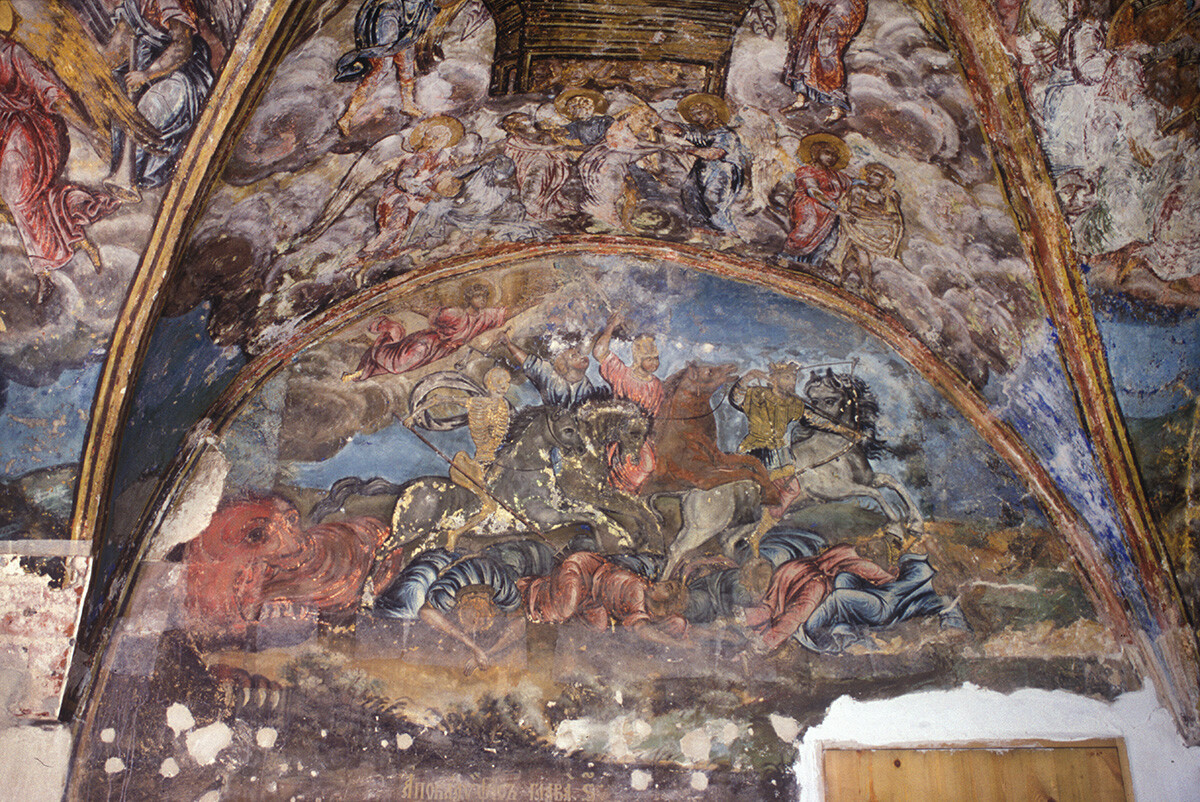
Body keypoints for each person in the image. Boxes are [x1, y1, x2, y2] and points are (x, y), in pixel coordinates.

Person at [0, 0, 119, 300]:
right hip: (7, 136)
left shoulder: (13, 54)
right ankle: (71, 238)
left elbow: (52, 92)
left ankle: (43, 270)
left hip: (37, 131)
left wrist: (90, 132)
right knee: (25, 199)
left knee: (15, 191)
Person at [104, 0, 215, 192]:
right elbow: (118, 41)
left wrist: (147, 73)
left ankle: (133, 176)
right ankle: (124, 172)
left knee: (150, 108)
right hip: (143, 71)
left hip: (183, 74)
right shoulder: (133, 4)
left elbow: (182, 46)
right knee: (117, 102)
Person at [349, 115, 466, 272]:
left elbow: (443, 179)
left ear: (441, 141)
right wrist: (426, 191)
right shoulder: (419, 157)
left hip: (420, 200)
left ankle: (393, 257)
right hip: (399, 197)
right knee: (393, 231)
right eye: (427, 135)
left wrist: (447, 186)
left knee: (428, 226)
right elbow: (403, 181)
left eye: (432, 137)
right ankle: (361, 258)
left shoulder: (442, 159)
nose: (427, 139)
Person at [741, 543, 894, 652]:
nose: (869, 546)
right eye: (871, 544)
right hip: (813, 578)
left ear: (875, 556)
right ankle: (767, 639)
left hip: (798, 568)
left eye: (874, 548)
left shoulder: (850, 550)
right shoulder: (858, 556)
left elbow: (886, 579)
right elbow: (888, 581)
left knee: (774, 601)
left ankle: (749, 619)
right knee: (797, 611)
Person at [344, 280, 507, 381]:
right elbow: (432, 313)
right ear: (469, 298)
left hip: (441, 351)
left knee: (400, 368)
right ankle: (380, 337)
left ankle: (363, 370)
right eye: (478, 296)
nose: (482, 300)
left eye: (484, 297)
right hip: (427, 343)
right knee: (398, 365)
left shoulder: (486, 316)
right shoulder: (457, 314)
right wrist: (408, 305)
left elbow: (505, 314)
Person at [519, 551, 690, 645]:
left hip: (592, 599)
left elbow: (675, 623)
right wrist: (676, 644)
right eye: (666, 583)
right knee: (562, 610)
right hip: (582, 571)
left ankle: (562, 605)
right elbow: (641, 628)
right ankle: (531, 588)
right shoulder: (638, 590)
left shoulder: (649, 610)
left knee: (597, 628)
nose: (661, 584)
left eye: (667, 588)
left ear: (667, 604)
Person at [780, 0, 867, 122]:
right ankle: (801, 99)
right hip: (819, 4)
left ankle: (837, 107)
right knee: (804, 46)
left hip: (840, 7)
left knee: (827, 53)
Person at [676, 93, 748, 241]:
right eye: (694, 115)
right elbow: (679, 130)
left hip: (721, 171)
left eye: (700, 113)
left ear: (713, 111)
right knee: (690, 194)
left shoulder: (727, 134)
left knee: (713, 201)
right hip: (701, 169)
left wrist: (688, 150)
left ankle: (729, 236)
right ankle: (702, 233)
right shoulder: (703, 133)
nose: (697, 118)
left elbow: (716, 153)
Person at [834, 161, 903, 299]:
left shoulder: (886, 197)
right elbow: (854, 209)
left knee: (854, 259)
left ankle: (840, 281)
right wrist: (882, 217)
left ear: (883, 180)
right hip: (858, 227)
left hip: (876, 233)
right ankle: (866, 288)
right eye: (870, 174)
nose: (872, 177)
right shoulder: (859, 189)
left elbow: (895, 217)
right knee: (862, 257)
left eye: (876, 175)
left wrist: (885, 216)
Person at [783, 133, 851, 265]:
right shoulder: (807, 170)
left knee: (834, 235)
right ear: (816, 152)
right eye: (827, 153)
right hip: (809, 203)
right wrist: (836, 208)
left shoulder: (838, 176)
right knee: (810, 223)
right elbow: (813, 191)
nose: (831, 157)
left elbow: (848, 189)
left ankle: (814, 263)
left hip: (830, 208)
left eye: (834, 155)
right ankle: (788, 259)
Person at [499, 112, 575, 221]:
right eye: (521, 120)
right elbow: (535, 148)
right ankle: (533, 209)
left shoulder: (538, 134)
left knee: (543, 171)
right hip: (527, 166)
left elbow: (549, 146)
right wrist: (552, 148)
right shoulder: (514, 140)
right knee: (535, 182)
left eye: (526, 118)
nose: (527, 121)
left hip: (542, 164)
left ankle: (544, 206)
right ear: (515, 126)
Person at [592, 312, 665, 418]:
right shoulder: (621, 374)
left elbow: (657, 415)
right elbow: (599, 352)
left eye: (656, 359)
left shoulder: (657, 385)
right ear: (639, 359)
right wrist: (611, 326)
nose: (654, 363)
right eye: (649, 359)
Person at [501, 329, 599, 408]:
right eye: (574, 356)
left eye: (578, 353)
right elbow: (529, 362)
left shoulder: (586, 386)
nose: (580, 356)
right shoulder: (550, 374)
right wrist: (509, 344)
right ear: (564, 365)